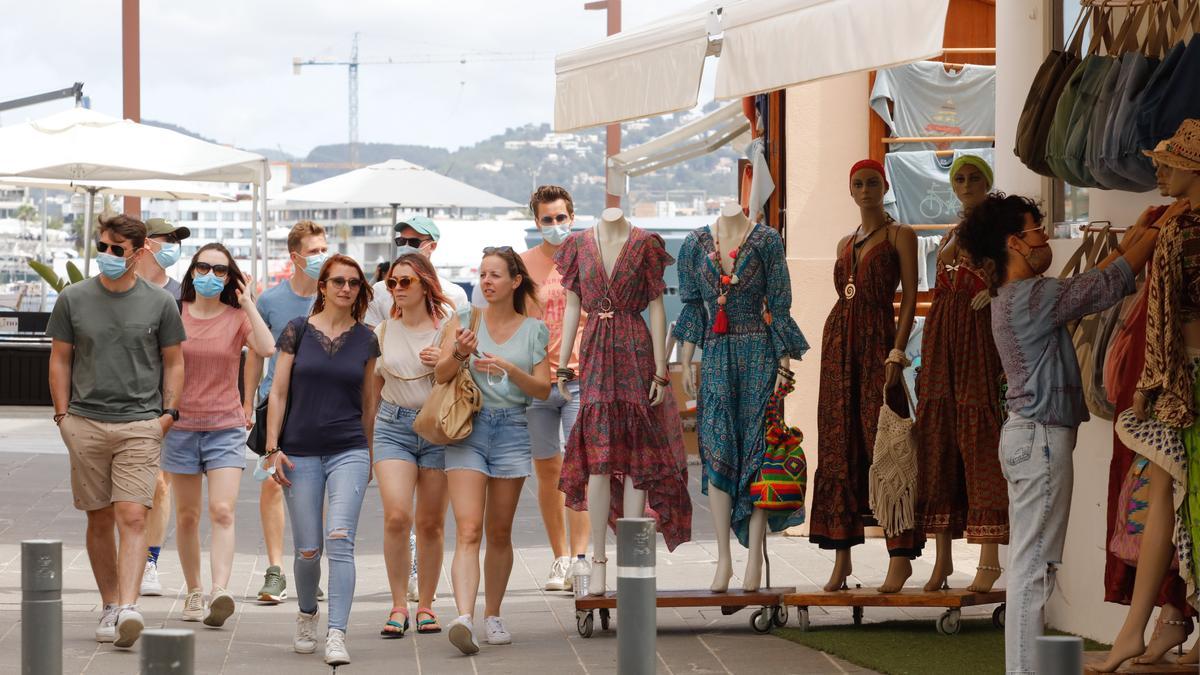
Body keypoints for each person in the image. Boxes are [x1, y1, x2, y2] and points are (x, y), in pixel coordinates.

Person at [956, 193, 1164, 675]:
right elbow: (1102, 286)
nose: (1044, 238)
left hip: (1030, 439)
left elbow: (1095, 277)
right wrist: (1154, 233)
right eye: (1036, 231)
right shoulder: (1031, 297)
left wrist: (1136, 237)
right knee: (1034, 571)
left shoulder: (1018, 295)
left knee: (1032, 566)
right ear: (1015, 242)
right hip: (1041, 441)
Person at [47, 214, 186, 649]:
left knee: (133, 514)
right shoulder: (73, 298)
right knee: (99, 516)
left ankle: (129, 606)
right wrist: (62, 416)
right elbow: (60, 358)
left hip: (141, 424)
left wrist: (167, 413)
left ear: (139, 251)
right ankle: (110, 604)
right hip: (84, 421)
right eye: (102, 247)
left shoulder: (160, 303)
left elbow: (175, 360)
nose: (107, 255)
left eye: (117, 250)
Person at [435, 247, 550, 655]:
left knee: (499, 532)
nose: (486, 281)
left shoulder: (535, 329)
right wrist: (461, 352)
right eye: (483, 274)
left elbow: (543, 389)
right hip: (469, 428)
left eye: (495, 275)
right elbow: (440, 375)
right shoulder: (464, 321)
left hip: (513, 429)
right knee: (468, 529)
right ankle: (463, 616)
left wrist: (509, 369)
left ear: (515, 281)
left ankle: (493, 613)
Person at [266, 254, 379, 667]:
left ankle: (337, 632)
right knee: (309, 550)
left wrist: (368, 454)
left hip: (348, 449)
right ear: (323, 286)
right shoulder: (297, 330)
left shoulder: (367, 338)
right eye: (338, 282)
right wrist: (272, 447)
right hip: (299, 451)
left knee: (340, 541)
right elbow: (277, 393)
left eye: (353, 282)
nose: (346, 289)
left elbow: (370, 403)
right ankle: (307, 614)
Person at [164, 244, 275, 627]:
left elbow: (266, 347)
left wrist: (248, 304)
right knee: (188, 515)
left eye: (221, 271)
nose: (210, 276)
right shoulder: (174, 313)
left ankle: (219, 590)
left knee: (223, 510)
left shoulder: (235, 317)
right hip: (179, 427)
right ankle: (194, 590)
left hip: (225, 427)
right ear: (192, 270)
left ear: (231, 278)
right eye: (203, 267)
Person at [913, 155, 1009, 594]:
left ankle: (989, 560)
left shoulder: (995, 229)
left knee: (978, 440)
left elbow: (1020, 273)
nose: (966, 183)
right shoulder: (952, 232)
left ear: (987, 182)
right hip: (941, 340)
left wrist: (995, 295)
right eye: (960, 178)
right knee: (940, 441)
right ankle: (942, 559)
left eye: (974, 177)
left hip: (976, 339)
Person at [243, 220, 328, 604]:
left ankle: (309, 566)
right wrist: (246, 401)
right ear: (295, 257)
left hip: (320, 406)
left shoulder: (335, 297)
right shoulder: (271, 301)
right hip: (274, 405)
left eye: (324, 249)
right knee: (271, 485)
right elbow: (255, 354)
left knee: (315, 490)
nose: (321, 257)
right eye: (314, 251)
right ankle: (275, 570)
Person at [370, 253, 452, 637]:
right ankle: (399, 603)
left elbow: (465, 378)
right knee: (397, 516)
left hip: (437, 429)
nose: (397, 289)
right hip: (393, 426)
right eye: (392, 283)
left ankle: (427, 605)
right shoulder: (383, 331)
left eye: (405, 282)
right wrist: (366, 438)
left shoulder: (447, 328)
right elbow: (372, 390)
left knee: (431, 523)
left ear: (425, 284)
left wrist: (447, 361)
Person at [521, 185, 590, 591]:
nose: (555, 225)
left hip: (579, 378)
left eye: (560, 218)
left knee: (578, 469)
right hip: (534, 382)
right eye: (547, 219)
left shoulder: (585, 257)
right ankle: (559, 558)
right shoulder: (525, 263)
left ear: (572, 217)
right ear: (536, 222)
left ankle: (581, 558)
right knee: (547, 471)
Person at [133, 217, 191, 597]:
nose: (172, 245)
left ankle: (149, 560)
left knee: (159, 484)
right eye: (166, 239)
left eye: (176, 240)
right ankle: (131, 550)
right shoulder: (124, 289)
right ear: (147, 245)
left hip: (166, 404)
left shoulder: (179, 295)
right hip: (125, 400)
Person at [365, 215, 469, 326]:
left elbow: (460, 337)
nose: (405, 247)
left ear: (432, 246)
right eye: (401, 241)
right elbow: (373, 338)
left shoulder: (455, 294)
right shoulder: (380, 291)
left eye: (413, 242)